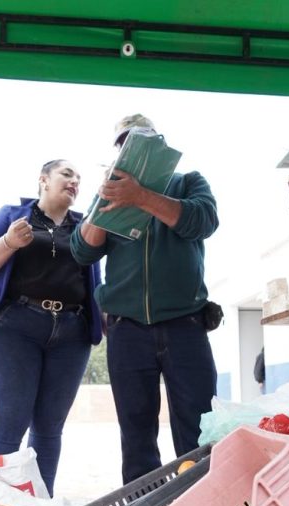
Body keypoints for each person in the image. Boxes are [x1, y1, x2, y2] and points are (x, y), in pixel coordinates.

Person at [71, 114, 220, 484]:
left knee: (199, 432)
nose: (131, 150)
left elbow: (204, 221)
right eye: (124, 144)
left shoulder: (188, 182)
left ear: (159, 145)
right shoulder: (108, 195)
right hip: (127, 330)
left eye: (140, 142)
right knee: (136, 438)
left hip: (186, 324)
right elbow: (81, 251)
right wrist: (106, 203)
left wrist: (141, 196)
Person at [0, 160, 102, 496]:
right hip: (12, 328)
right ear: (43, 180)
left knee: (49, 427)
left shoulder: (86, 226)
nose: (74, 181)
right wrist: (9, 242)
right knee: (8, 419)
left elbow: (95, 280)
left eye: (78, 178)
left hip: (71, 334)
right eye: (66, 174)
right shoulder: (12, 215)